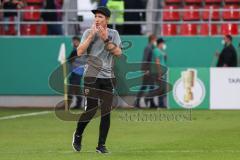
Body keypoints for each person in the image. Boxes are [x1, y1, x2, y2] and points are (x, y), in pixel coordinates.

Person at [72, 6, 122, 153]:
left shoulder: (114, 34)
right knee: (91, 110)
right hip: (91, 76)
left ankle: (101, 146)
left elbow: (118, 53)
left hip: (107, 77)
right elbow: (79, 52)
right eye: (96, 17)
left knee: (106, 112)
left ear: (107, 19)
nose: (97, 19)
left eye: (100, 17)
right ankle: (78, 134)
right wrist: (91, 36)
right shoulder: (88, 32)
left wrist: (105, 39)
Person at [135, 34, 157, 108]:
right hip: (148, 70)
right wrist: (146, 70)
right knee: (145, 86)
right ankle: (138, 102)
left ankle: (151, 102)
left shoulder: (152, 47)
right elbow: (145, 59)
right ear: (152, 39)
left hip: (151, 70)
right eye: (155, 39)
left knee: (150, 86)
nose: (156, 41)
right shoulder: (148, 48)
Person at [67, 36, 83, 109]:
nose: (74, 43)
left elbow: (70, 59)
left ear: (79, 42)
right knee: (76, 88)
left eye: (75, 41)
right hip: (74, 71)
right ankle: (78, 103)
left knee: (72, 87)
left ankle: (67, 104)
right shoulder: (75, 50)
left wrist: (68, 59)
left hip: (78, 72)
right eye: (73, 41)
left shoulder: (79, 50)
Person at [153, 38, 167, 108]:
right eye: (162, 43)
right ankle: (160, 104)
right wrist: (159, 73)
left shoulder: (161, 51)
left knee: (163, 89)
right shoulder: (156, 50)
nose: (163, 45)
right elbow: (157, 62)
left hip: (163, 72)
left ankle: (162, 104)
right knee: (160, 89)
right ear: (160, 43)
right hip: (160, 72)